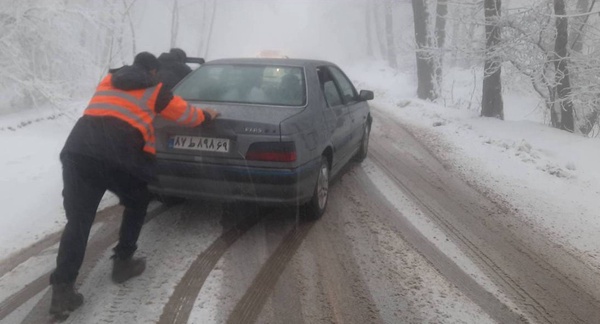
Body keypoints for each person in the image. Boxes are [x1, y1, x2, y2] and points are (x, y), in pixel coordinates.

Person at [49, 52, 219, 317]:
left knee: (79, 222)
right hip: (119, 155)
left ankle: (62, 290)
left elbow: (113, 110)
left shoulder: (108, 80)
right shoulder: (156, 89)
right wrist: (207, 116)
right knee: (138, 201)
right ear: (154, 72)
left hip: (79, 151)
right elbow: (187, 115)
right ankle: (123, 262)